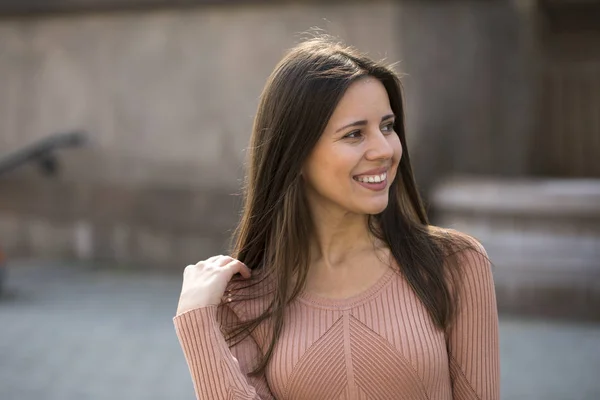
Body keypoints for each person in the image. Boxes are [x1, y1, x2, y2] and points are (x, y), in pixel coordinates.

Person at [173, 36, 500, 400]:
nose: (384, 150)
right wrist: (196, 319)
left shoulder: (454, 263)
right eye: (355, 134)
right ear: (296, 154)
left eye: (388, 127)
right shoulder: (249, 301)